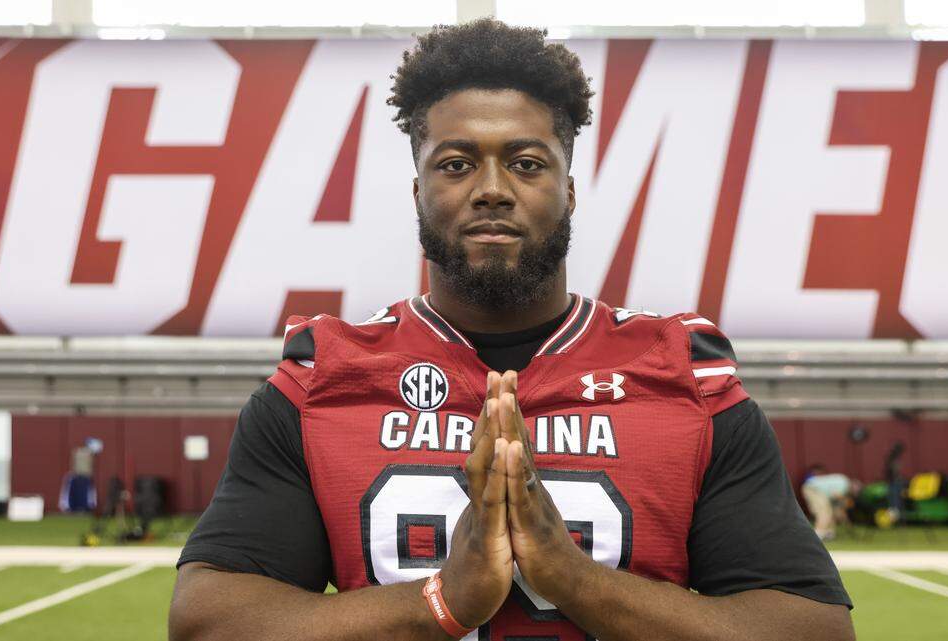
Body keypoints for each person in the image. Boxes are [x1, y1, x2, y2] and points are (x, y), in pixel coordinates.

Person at [169, 19, 854, 641]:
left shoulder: (683, 378)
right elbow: (207, 621)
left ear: (569, 188)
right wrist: (439, 600)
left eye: (526, 163)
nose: (492, 187)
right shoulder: (324, 379)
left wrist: (571, 575)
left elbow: (814, 629)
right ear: (419, 192)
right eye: (456, 163)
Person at [801, 464, 853, 541]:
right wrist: (842, 509)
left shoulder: (842, 480)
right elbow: (837, 496)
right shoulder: (844, 485)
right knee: (824, 512)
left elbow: (833, 500)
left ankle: (828, 533)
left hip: (817, 490)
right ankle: (818, 534)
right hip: (813, 489)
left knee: (829, 511)